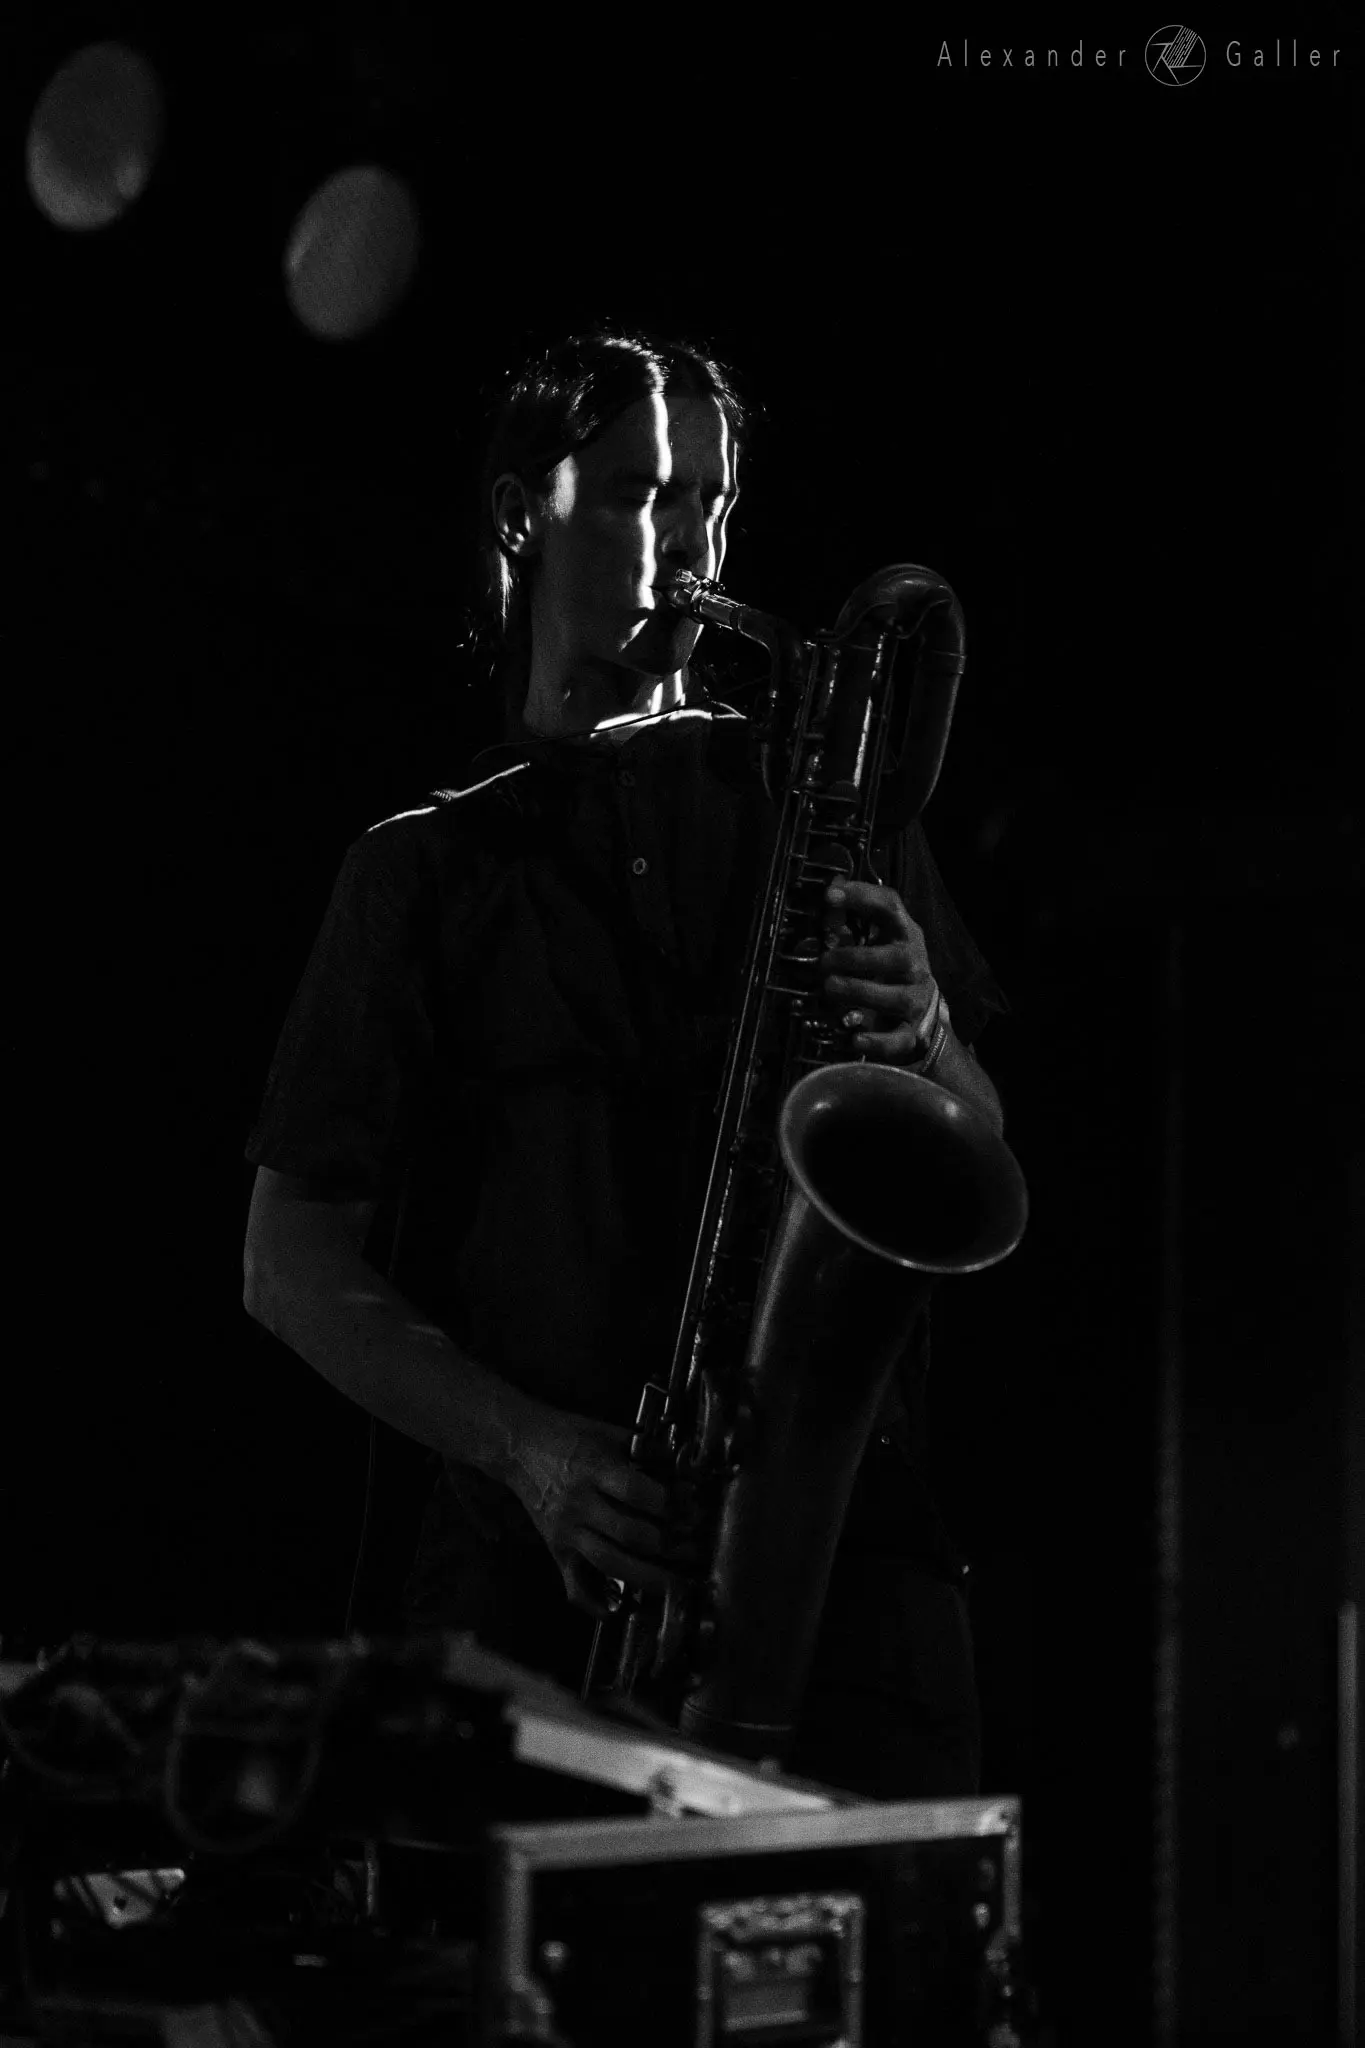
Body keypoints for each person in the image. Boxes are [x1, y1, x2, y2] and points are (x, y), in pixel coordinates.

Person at [242, 329, 1009, 1801]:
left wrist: (925, 1033)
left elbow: (979, 1147)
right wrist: (534, 1456)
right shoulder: (420, 872)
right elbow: (286, 1263)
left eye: (713, 502)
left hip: (856, 1589)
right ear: (522, 514)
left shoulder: (820, 798)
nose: (692, 545)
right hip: (558, 1603)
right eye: (643, 495)